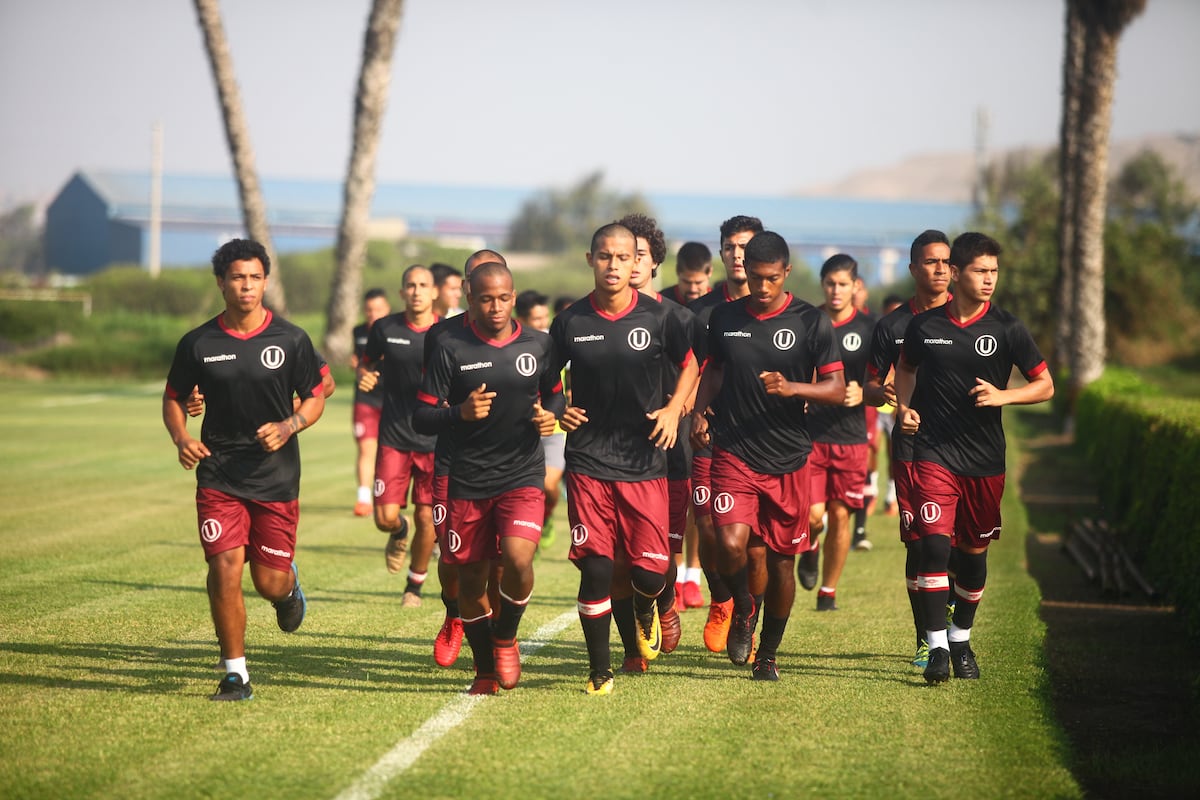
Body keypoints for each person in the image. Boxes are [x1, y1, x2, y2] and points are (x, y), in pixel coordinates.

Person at [162, 238, 326, 701]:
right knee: (224, 566)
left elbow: (316, 395)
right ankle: (236, 674)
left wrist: (290, 424)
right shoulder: (198, 342)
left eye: (255, 277)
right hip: (218, 474)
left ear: (266, 282)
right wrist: (182, 437)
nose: (247, 285)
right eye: (238, 277)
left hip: (275, 476)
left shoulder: (291, 339)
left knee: (267, 580)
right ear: (221, 283)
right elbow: (174, 397)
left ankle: (289, 589)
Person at [894, 231, 1054, 684]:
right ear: (957, 273)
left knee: (972, 555)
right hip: (933, 454)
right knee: (933, 544)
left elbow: (1046, 384)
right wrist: (905, 409)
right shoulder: (924, 327)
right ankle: (938, 648)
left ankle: (961, 636)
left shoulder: (1007, 328)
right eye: (982, 271)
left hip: (985, 460)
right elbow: (905, 369)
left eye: (995, 272)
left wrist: (1004, 395)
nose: (990, 280)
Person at [550, 222, 698, 695]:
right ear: (590, 260)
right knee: (597, 566)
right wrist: (558, 410)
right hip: (589, 461)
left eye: (623, 257)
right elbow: (547, 379)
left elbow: (694, 362)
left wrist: (675, 409)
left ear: (637, 262)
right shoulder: (571, 321)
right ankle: (600, 670)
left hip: (645, 462)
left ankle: (644, 606)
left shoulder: (660, 317)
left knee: (649, 573)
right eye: (604, 257)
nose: (614, 265)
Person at [690, 231, 844, 681]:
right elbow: (714, 368)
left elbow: (836, 388)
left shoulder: (810, 323)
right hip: (733, 450)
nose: (761, 288)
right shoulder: (724, 317)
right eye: (755, 278)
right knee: (730, 544)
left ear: (787, 274)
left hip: (789, 459)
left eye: (771, 279)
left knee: (778, 564)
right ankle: (742, 609)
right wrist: (700, 411)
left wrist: (793, 387)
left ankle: (769, 654)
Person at [414, 262, 564, 695]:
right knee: (470, 582)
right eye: (485, 299)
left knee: (518, 559)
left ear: (513, 297)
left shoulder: (539, 344)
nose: (495, 307)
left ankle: (506, 638)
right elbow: (422, 415)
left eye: (502, 298)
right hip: (466, 479)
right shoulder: (449, 346)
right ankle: (483, 670)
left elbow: (556, 393)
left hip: (521, 474)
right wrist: (457, 413)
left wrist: (548, 416)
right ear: (469, 299)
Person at [863, 230, 952, 668]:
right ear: (914, 268)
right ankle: (927, 638)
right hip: (914, 449)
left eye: (945, 262)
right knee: (921, 545)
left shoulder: (969, 322)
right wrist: (887, 396)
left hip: (966, 448)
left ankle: (954, 623)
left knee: (959, 546)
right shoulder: (892, 326)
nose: (939, 269)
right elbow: (868, 387)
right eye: (930, 262)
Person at [614, 211, 690, 670]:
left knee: (660, 551)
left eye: (641, 255)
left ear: (655, 262)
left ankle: (663, 602)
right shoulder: (594, 316)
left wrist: (678, 410)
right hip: (612, 452)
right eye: (626, 255)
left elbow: (694, 371)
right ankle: (631, 648)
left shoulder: (677, 317)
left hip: (668, 452)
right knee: (618, 557)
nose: (634, 263)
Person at [426, 249, 509, 668]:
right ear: (467, 289)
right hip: (453, 463)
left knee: (496, 562)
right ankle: (454, 614)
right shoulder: (442, 337)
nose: (488, 295)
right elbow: (428, 404)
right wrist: (459, 412)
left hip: (505, 467)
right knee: (452, 556)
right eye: (478, 284)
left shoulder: (524, 339)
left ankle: (494, 637)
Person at [687, 214, 762, 654]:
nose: (738, 254)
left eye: (746, 247)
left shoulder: (783, 310)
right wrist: (691, 407)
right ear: (721, 253)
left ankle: (748, 617)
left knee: (752, 545)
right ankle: (722, 600)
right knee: (710, 531)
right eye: (731, 247)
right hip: (709, 437)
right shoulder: (700, 312)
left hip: (761, 442)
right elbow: (689, 368)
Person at [357, 266, 440, 606]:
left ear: (434, 293)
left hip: (435, 439)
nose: (417, 291)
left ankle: (414, 587)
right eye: (411, 285)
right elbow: (367, 363)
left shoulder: (446, 333)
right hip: (393, 436)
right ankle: (398, 531)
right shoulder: (385, 328)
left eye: (423, 285)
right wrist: (366, 376)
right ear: (402, 292)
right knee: (384, 518)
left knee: (427, 516)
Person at [799, 254, 875, 611]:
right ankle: (811, 547)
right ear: (822, 284)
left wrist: (866, 392)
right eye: (830, 283)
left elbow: (885, 381)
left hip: (851, 437)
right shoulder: (807, 322)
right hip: (810, 435)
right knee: (814, 516)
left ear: (855, 286)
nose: (836, 290)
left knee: (841, 514)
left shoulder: (869, 329)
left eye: (843, 284)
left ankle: (828, 590)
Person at [516, 289, 563, 550]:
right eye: (537, 319)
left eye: (546, 317)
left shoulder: (552, 345)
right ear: (522, 320)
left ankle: (546, 519)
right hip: (521, 429)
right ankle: (524, 537)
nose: (544, 324)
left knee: (548, 485)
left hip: (553, 428)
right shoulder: (511, 346)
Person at [351, 288, 391, 516]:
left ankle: (385, 495)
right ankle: (363, 498)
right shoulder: (358, 332)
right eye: (369, 310)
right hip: (365, 399)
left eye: (378, 309)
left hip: (392, 400)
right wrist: (358, 369)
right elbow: (358, 362)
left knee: (388, 452)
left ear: (387, 309)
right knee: (367, 448)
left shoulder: (396, 331)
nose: (373, 314)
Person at [875, 293, 906, 518]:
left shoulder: (908, 337)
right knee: (870, 447)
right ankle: (869, 490)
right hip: (874, 403)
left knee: (891, 450)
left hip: (895, 404)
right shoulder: (879, 333)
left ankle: (890, 497)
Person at [662, 241, 713, 306]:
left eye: (698, 283)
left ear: (710, 272)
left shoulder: (720, 305)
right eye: (687, 282)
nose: (692, 289)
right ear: (677, 271)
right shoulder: (660, 304)